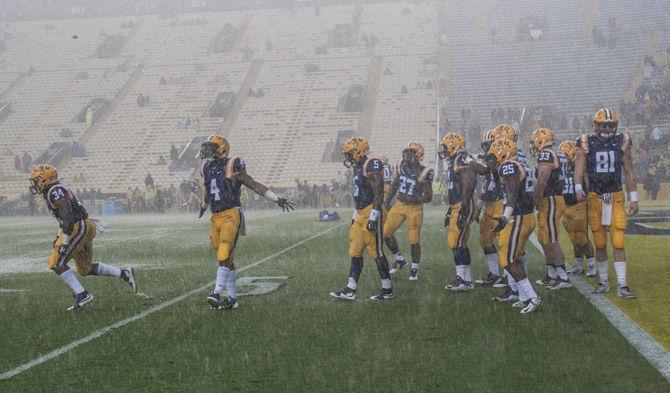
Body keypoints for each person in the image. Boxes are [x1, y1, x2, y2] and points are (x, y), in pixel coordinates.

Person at [199, 135, 294, 310]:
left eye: (212, 147)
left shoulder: (232, 164)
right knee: (226, 258)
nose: (208, 151)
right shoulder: (206, 168)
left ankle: (216, 292)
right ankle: (233, 300)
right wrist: (203, 205)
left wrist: (276, 198)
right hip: (216, 216)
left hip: (231, 214)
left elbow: (252, 184)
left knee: (224, 252)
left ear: (222, 149)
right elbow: (208, 189)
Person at [28, 164, 137, 310]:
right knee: (84, 269)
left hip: (78, 227)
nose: (34, 184)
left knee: (56, 263)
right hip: (84, 225)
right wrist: (60, 234)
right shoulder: (55, 189)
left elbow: (67, 215)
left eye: (36, 180)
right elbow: (63, 217)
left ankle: (83, 295)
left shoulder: (55, 190)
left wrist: (65, 240)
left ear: (44, 179)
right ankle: (124, 273)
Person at [575, 108, 638, 298]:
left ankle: (622, 284)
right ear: (596, 126)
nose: (608, 128)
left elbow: (629, 172)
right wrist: (578, 187)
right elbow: (578, 170)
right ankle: (603, 281)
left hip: (616, 195)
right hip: (595, 197)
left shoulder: (622, 141)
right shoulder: (586, 142)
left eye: (611, 125)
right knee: (600, 242)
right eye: (604, 125)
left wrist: (633, 198)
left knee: (618, 241)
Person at [330, 137, 394, 301]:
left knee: (376, 252)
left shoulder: (371, 163)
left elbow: (379, 193)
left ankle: (387, 289)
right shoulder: (358, 167)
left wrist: (374, 215)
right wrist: (355, 213)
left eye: (349, 154)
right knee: (355, 251)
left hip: (372, 211)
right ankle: (350, 289)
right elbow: (360, 194)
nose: (347, 158)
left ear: (358, 152)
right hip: (360, 213)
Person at [488, 137, 541, 313]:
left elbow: (512, 193)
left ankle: (532, 297)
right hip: (525, 215)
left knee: (507, 259)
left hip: (518, 216)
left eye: (494, 156)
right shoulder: (521, 164)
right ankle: (524, 297)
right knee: (515, 256)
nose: (492, 160)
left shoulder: (508, 166)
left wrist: (505, 216)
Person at [383, 142, 433, 281]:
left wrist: (414, 198)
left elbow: (428, 196)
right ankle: (400, 259)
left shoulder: (424, 171)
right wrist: (387, 201)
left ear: (417, 156)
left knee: (413, 240)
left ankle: (414, 268)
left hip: (414, 208)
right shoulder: (401, 166)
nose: (406, 155)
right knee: (385, 233)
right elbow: (395, 185)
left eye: (410, 152)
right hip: (399, 205)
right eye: (406, 152)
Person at [530, 128, 572, 290]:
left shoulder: (546, 154)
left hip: (551, 199)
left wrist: (536, 197)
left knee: (552, 239)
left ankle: (563, 277)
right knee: (544, 238)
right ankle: (552, 274)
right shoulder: (555, 154)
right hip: (553, 198)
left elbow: (542, 179)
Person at [440, 133, 478, 292]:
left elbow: (469, 183)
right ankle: (466, 280)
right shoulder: (456, 160)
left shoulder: (461, 158)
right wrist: (451, 209)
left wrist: (463, 207)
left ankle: (462, 280)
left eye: (445, 146)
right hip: (458, 205)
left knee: (455, 242)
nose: (443, 150)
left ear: (452, 145)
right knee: (460, 243)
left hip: (463, 204)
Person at [472, 130, 506, 287]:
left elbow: (487, 169)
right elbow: (486, 185)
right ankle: (494, 274)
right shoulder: (489, 160)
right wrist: (479, 205)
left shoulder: (501, 160)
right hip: (490, 203)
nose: (486, 148)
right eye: (484, 145)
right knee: (485, 238)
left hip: (500, 202)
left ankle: (509, 276)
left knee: (504, 240)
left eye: (488, 145)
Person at [558, 140, 597, 276]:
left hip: (579, 205)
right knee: (573, 238)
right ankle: (579, 265)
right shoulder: (562, 169)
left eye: (564, 155)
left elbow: (589, 185)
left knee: (582, 237)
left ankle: (592, 265)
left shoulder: (581, 168)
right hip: (566, 206)